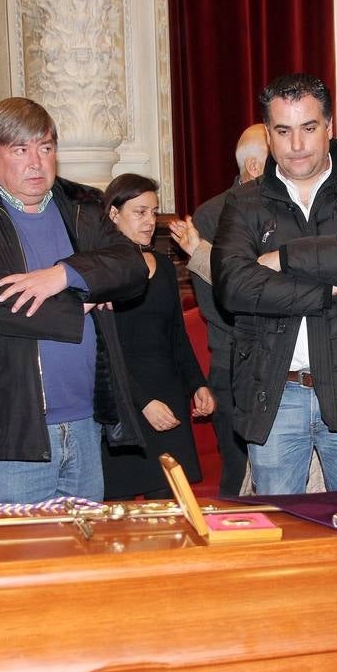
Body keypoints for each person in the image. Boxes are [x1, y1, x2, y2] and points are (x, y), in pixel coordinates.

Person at [0, 97, 153, 504]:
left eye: (46, 148)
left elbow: (131, 267)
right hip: (12, 432)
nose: (36, 162)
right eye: (20, 149)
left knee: (81, 563)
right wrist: (84, 299)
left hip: (87, 424)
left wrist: (62, 275)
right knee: (18, 561)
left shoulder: (82, 206)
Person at [212, 73, 337, 494]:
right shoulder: (244, 202)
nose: (297, 145)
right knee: (282, 536)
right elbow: (233, 285)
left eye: (308, 128)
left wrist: (283, 258)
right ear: (267, 134)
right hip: (273, 393)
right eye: (283, 130)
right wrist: (325, 288)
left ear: (329, 127)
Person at [101, 173, 215, 498]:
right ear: (114, 214)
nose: (150, 221)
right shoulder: (101, 269)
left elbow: (176, 336)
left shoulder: (164, 267)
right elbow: (104, 349)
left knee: (170, 515)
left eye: (153, 212)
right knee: (120, 525)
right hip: (124, 403)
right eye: (140, 212)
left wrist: (198, 384)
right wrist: (142, 403)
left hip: (168, 399)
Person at [168, 124, 266, 497]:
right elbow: (219, 301)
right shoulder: (212, 217)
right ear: (255, 166)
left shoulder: (288, 209)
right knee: (239, 471)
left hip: (286, 358)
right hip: (235, 358)